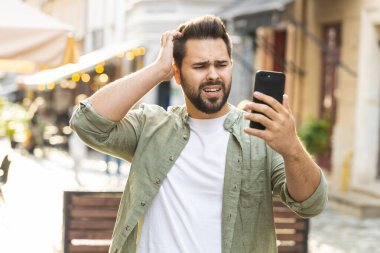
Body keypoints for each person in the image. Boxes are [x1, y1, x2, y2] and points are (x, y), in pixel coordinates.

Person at [70, 15, 328, 253]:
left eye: (221, 64)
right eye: (201, 66)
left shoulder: (259, 136)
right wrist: (158, 70)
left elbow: (311, 204)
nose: (213, 75)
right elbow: (87, 123)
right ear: (178, 74)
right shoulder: (152, 126)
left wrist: (291, 147)